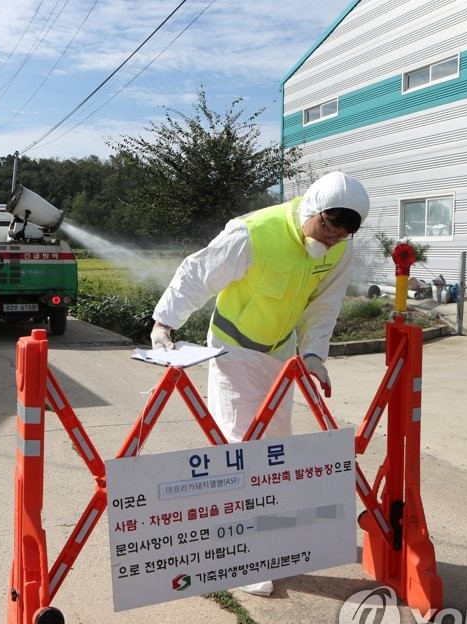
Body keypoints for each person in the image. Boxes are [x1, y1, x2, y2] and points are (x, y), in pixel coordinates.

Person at [149, 171, 370, 596]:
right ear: (311, 208)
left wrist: (313, 356)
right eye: (325, 228)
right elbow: (198, 272)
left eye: (339, 236)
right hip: (234, 349)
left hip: (279, 353)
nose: (328, 241)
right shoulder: (253, 233)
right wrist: (164, 324)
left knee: (274, 449)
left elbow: (324, 304)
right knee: (239, 448)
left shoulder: (337, 248)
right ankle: (240, 557)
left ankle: (269, 538)